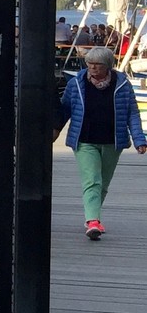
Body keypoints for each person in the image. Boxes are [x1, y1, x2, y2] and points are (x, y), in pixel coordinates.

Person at [59, 46, 147, 239]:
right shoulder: (76, 83)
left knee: (103, 184)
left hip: (112, 141)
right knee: (92, 180)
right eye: (89, 64)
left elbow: (132, 113)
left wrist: (139, 139)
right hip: (84, 140)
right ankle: (93, 221)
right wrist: (54, 131)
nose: (92, 68)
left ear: (108, 66)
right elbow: (64, 108)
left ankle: (93, 217)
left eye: (97, 65)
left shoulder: (122, 84)